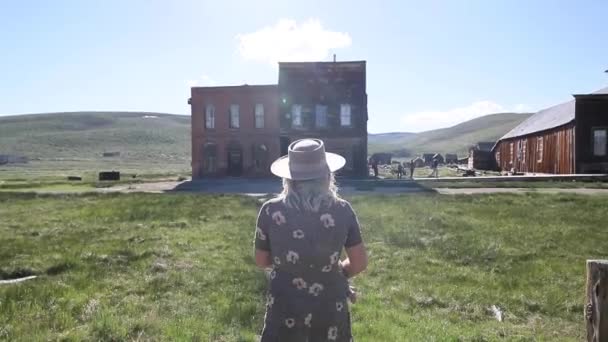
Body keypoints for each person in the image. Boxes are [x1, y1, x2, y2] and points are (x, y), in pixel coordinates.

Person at [254, 139, 368, 342]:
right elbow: (359, 263)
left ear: (289, 178)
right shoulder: (343, 210)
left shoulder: (270, 211)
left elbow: (262, 260)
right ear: (327, 175)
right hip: (330, 305)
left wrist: (293, 264)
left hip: (284, 303)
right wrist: (333, 269)